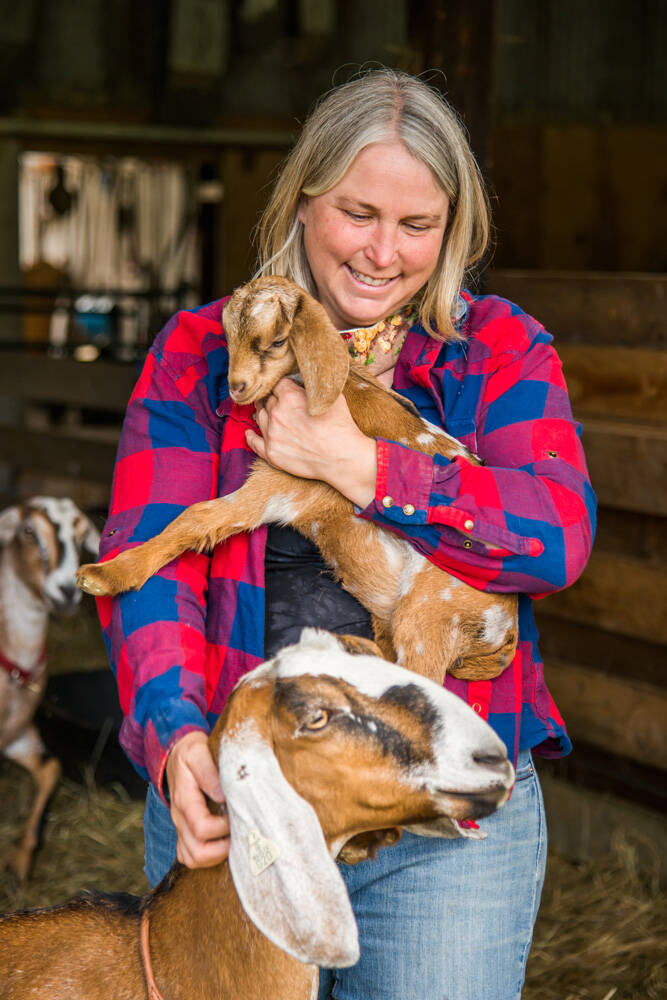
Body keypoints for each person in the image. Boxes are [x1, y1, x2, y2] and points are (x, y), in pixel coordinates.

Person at [97, 69, 596, 999]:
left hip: (439, 817)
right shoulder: (200, 353)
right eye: (357, 213)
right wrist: (173, 738)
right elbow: (152, 567)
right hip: (243, 793)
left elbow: (555, 537)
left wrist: (362, 468)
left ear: (452, 231)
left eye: (417, 226)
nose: (382, 252)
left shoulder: (495, 349)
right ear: (303, 199)